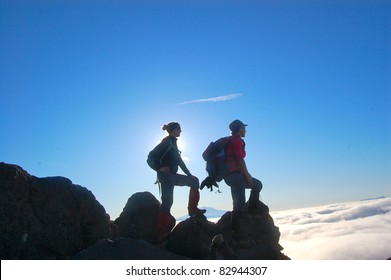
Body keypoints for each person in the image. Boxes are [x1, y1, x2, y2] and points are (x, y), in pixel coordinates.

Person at [148, 122, 206, 237]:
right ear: (174, 130)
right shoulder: (166, 142)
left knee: (194, 181)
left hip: (173, 176)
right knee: (167, 202)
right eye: (179, 129)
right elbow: (150, 156)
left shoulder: (173, 143)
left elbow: (179, 161)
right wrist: (159, 168)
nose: (181, 131)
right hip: (166, 177)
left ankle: (193, 210)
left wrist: (189, 174)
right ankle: (161, 231)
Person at [224, 119, 263, 242]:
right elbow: (240, 159)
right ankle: (237, 233)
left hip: (231, 176)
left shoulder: (229, 140)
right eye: (243, 127)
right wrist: (247, 175)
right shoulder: (236, 140)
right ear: (238, 128)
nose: (245, 129)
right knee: (239, 205)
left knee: (257, 186)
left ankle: (251, 214)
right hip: (236, 176)